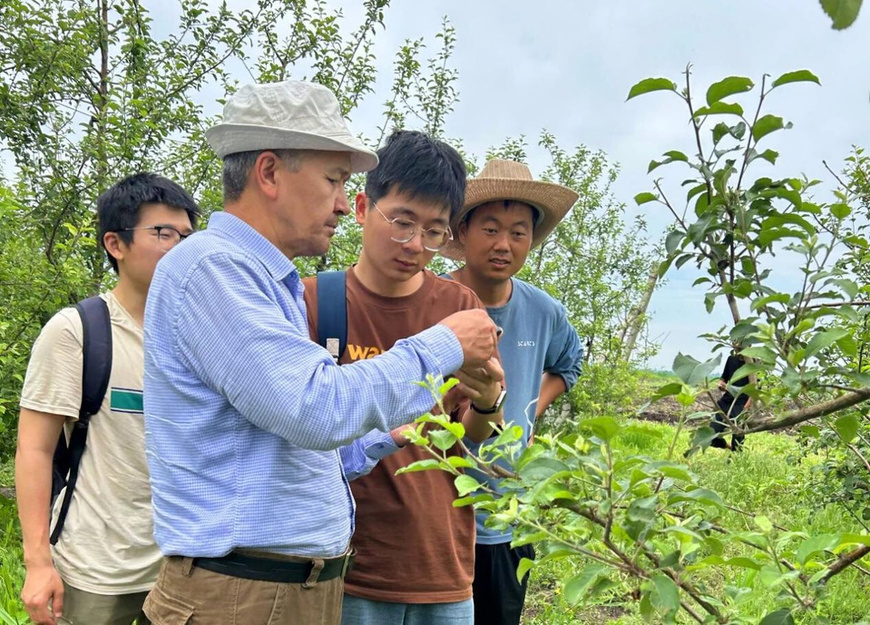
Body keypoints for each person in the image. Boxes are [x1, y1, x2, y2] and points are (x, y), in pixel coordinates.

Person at [141, 81, 499, 625]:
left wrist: (389, 437)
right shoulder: (213, 270)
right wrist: (446, 342)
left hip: (281, 591)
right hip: (242, 596)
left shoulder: (269, 283)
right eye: (333, 179)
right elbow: (314, 409)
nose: (339, 202)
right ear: (269, 173)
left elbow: (293, 444)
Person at [302, 129, 505, 625]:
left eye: (434, 231)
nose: (415, 245)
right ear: (362, 206)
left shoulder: (458, 307)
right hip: (343, 569)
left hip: (442, 564)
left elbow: (476, 433)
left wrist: (487, 402)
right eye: (402, 222)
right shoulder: (311, 302)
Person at [15, 173, 200, 625]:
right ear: (115, 244)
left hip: (182, 570)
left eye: (188, 236)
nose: (179, 247)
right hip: (94, 571)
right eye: (163, 233)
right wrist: (38, 564)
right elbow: (34, 450)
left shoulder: (198, 338)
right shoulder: (78, 332)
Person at [442, 159, 584, 625]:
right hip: (433, 512)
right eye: (490, 228)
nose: (504, 244)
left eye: (519, 232)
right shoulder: (430, 301)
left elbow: (570, 363)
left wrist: (530, 407)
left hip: (508, 514)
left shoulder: (544, 312)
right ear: (462, 231)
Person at [711, 350, 750, 451]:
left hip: (742, 402)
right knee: (711, 436)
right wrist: (721, 385)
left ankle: (736, 459)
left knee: (738, 440)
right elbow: (723, 379)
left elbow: (757, 388)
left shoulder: (755, 362)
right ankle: (729, 447)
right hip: (726, 400)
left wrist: (746, 407)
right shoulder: (731, 359)